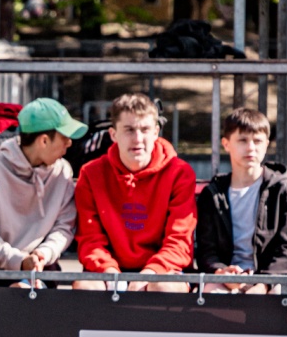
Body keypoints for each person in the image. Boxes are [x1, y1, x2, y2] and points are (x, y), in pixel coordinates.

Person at [74, 91, 197, 292]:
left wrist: (150, 272)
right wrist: (110, 273)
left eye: (145, 129)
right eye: (129, 130)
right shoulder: (91, 174)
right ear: (113, 134)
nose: (138, 139)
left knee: (164, 288)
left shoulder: (179, 173)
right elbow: (90, 239)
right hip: (109, 269)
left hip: (163, 269)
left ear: (156, 132)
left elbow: (179, 240)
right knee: (86, 288)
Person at [0, 97, 87, 276]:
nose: (69, 143)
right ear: (44, 141)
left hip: (43, 270)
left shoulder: (63, 171)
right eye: (64, 137)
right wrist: (20, 262)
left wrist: (43, 254)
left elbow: (64, 226)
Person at [196, 107, 287, 293]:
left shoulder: (284, 190)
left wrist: (264, 284)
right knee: (211, 293)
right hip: (227, 279)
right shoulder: (212, 194)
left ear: (266, 144)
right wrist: (222, 273)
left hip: (276, 278)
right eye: (243, 140)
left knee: (280, 293)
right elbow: (206, 251)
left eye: (257, 141)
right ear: (226, 144)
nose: (251, 148)